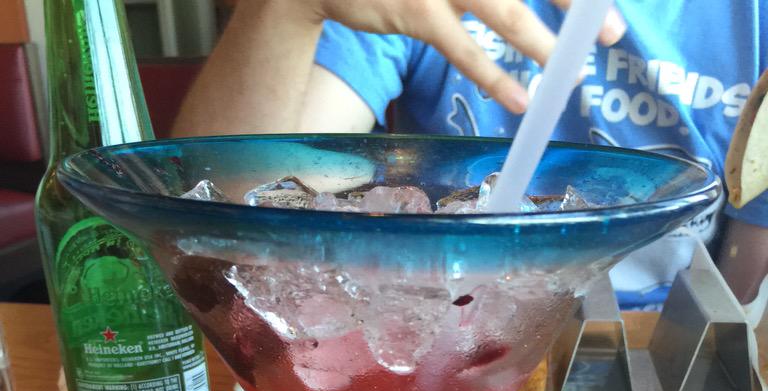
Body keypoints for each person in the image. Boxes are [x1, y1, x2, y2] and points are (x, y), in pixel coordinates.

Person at [174, 0, 768, 307]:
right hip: (440, 329)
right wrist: (285, 8)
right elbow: (225, 210)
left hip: (661, 355)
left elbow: (745, 275)